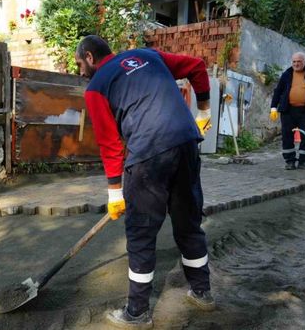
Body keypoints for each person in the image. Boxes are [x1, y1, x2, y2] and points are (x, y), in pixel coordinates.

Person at [75, 35, 214, 329]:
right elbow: (198, 67)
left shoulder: (96, 88)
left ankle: (137, 312)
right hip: (187, 142)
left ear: (89, 56)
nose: (80, 72)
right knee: (188, 222)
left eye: (79, 64)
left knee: (141, 233)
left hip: (149, 153)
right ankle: (202, 292)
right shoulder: (147, 56)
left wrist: (114, 191)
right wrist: (204, 110)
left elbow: (110, 144)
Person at [270, 52, 305, 170]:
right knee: (287, 135)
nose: (296, 64)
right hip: (288, 111)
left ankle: (304, 161)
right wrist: (273, 107)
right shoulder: (286, 75)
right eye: (294, 61)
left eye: (299, 61)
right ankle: (290, 161)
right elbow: (277, 92)